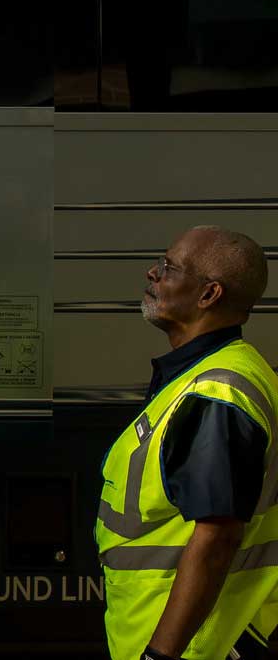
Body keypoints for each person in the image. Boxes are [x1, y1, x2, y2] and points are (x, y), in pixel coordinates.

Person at [98, 225, 278, 660]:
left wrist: (162, 654)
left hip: (200, 643)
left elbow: (217, 539)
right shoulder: (216, 375)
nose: (153, 273)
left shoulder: (216, 393)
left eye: (168, 267)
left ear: (208, 295)